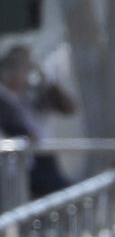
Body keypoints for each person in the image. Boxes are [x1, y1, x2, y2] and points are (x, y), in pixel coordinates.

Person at [0, 44, 75, 199]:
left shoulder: (37, 93)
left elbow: (68, 108)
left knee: (67, 194)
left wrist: (47, 80)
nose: (17, 75)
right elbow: (15, 128)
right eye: (12, 69)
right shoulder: (4, 100)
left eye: (23, 68)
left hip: (44, 159)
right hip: (16, 164)